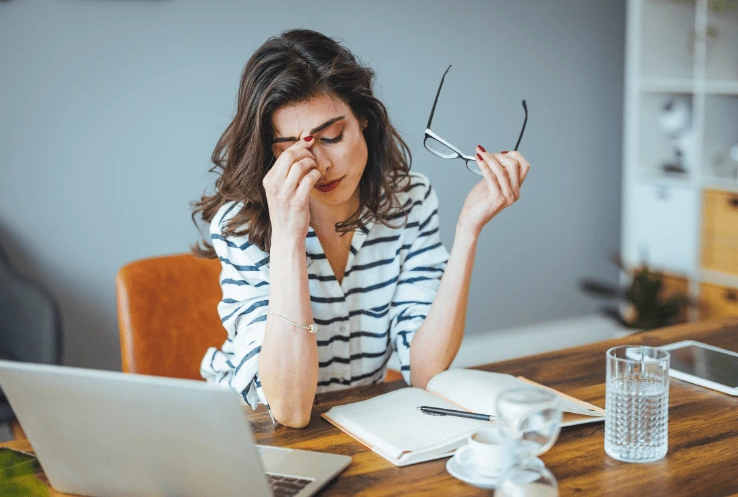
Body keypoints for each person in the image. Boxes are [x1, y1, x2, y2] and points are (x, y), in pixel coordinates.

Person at [193, 29, 530, 428]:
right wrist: (287, 237)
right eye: (292, 150)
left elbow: (424, 373)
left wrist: (468, 231)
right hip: (250, 430)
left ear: (365, 118)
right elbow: (290, 409)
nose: (321, 165)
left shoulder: (408, 200)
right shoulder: (240, 226)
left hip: (357, 424)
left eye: (332, 136)